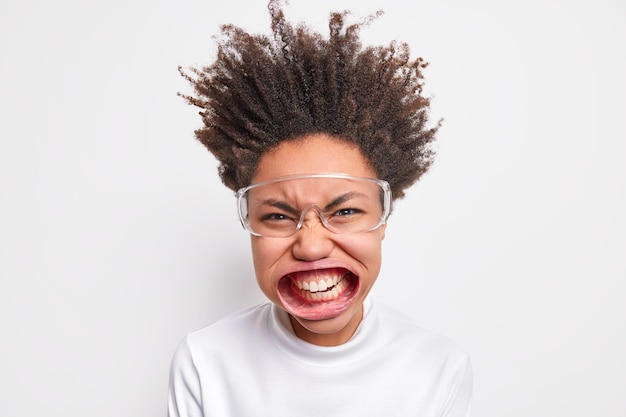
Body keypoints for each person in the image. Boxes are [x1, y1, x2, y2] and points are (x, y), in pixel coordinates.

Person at [168, 1, 472, 416]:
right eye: (277, 216)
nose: (311, 247)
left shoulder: (437, 367)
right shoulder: (205, 362)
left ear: (382, 219)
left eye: (345, 212)